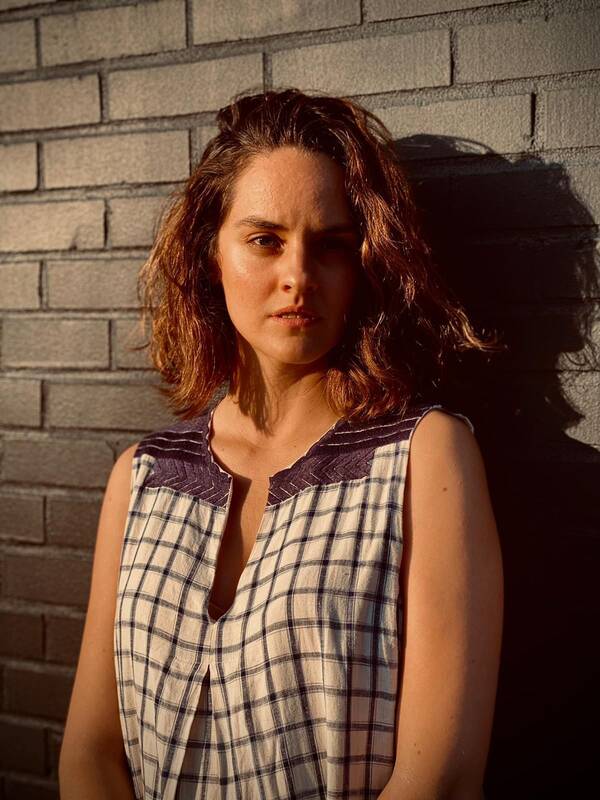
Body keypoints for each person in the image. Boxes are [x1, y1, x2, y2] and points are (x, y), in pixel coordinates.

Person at [58, 88, 504, 800]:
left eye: (330, 245)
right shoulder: (142, 478)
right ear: (211, 254)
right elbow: (90, 755)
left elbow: (441, 778)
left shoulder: (423, 458)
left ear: (363, 265)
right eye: (265, 240)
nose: (298, 275)